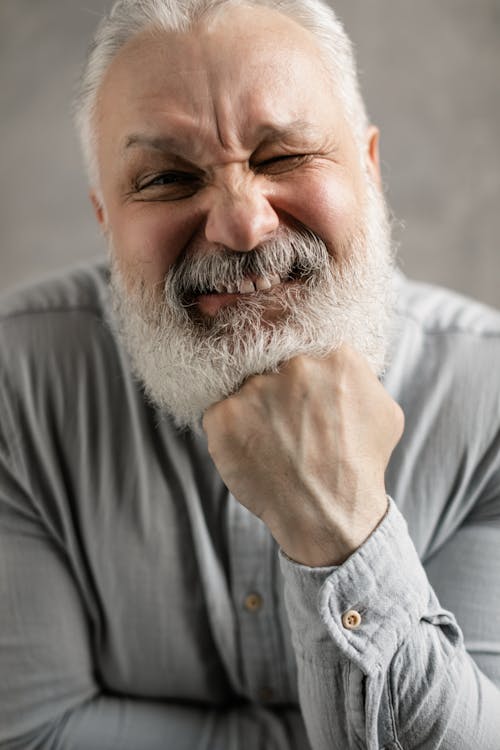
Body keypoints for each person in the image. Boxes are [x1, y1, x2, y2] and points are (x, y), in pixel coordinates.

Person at [0, 0, 499, 747]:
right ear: (106, 217)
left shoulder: (488, 396)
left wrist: (344, 533)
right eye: (168, 179)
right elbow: (31, 734)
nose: (241, 224)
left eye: (284, 157)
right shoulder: (15, 387)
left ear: (368, 168)